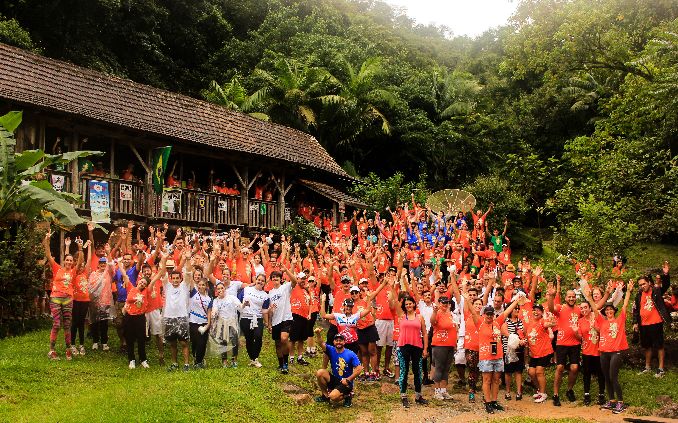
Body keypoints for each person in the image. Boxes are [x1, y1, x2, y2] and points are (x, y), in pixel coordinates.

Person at [465, 292, 521, 414]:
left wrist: (517, 301)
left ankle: (494, 401)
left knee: (496, 380)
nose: (489, 316)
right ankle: (488, 402)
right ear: (484, 314)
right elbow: (473, 312)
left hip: (498, 355)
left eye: (491, 314)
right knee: (487, 380)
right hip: (486, 356)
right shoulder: (479, 323)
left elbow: (507, 311)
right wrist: (467, 300)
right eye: (488, 314)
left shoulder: (497, 322)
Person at [120, 253, 167, 369]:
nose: (142, 284)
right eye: (141, 282)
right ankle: (131, 360)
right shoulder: (131, 287)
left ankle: (143, 359)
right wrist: (119, 263)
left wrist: (164, 258)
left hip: (140, 317)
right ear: (138, 281)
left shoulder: (146, 291)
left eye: (144, 284)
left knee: (141, 339)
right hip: (129, 317)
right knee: (130, 339)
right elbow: (124, 275)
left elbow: (159, 274)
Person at [43, 231, 82, 360]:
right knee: (56, 324)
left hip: (68, 299)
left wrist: (80, 248)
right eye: (67, 260)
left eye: (71, 261)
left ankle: (68, 348)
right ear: (64, 261)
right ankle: (52, 350)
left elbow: (80, 260)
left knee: (67, 324)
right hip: (55, 298)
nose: (69, 262)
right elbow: (48, 255)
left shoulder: (74, 271)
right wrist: (47, 240)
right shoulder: (57, 268)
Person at [597, 279, 634, 414]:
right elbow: (594, 309)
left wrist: (628, 291)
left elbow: (624, 305)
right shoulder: (601, 321)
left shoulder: (620, 320)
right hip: (604, 352)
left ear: (614, 310)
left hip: (616, 352)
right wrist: (589, 297)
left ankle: (621, 403)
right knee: (606, 377)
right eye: (606, 310)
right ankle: (612, 401)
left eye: (610, 309)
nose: (608, 311)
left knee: (613, 376)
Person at [633, 262, 671, 378]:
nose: (642, 286)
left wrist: (665, 274)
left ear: (649, 283)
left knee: (659, 346)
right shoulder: (639, 295)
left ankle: (660, 369)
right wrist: (635, 322)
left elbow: (666, 285)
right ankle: (647, 367)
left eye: (644, 284)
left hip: (656, 323)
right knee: (647, 346)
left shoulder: (656, 291)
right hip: (644, 324)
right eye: (640, 285)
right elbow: (636, 309)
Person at [548, 287, 582, 406]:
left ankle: (569, 390)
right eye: (569, 296)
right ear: (566, 298)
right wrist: (551, 296)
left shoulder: (579, 309)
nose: (571, 298)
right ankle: (556, 394)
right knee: (560, 368)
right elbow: (551, 308)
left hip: (575, 343)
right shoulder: (561, 307)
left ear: (575, 298)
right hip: (562, 343)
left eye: (573, 296)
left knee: (574, 368)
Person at [313, 328, 363, 408]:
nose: (338, 342)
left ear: (344, 342)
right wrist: (318, 333)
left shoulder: (350, 354)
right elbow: (321, 343)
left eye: (340, 340)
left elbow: (359, 368)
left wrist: (348, 379)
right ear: (334, 342)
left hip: (346, 383)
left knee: (333, 397)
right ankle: (325, 396)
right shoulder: (331, 350)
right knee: (320, 372)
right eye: (336, 340)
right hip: (335, 379)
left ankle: (348, 395)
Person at [395, 295, 429, 408]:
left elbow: (424, 333)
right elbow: (393, 301)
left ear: (414, 304)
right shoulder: (401, 316)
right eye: (406, 304)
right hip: (403, 346)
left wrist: (425, 348)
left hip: (417, 347)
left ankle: (418, 396)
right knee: (404, 371)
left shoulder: (419, 317)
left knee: (417, 372)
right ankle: (403, 396)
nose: (408, 305)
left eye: (410, 303)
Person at [524, 303, 556, 403]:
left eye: (538, 310)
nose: (536, 312)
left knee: (539, 371)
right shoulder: (529, 324)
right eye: (534, 310)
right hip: (534, 353)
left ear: (542, 313)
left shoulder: (542, 321)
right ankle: (539, 390)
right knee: (531, 372)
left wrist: (549, 319)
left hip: (545, 351)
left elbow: (550, 324)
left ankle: (543, 393)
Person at [267, 270, 296, 374]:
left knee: (284, 339)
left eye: (277, 277)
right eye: (273, 277)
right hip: (275, 320)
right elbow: (269, 311)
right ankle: (280, 364)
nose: (275, 279)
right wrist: (269, 323)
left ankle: (286, 363)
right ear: (271, 279)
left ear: (281, 279)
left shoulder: (285, 287)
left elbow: (294, 281)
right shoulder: (270, 293)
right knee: (278, 344)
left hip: (286, 318)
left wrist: (286, 270)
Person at [430, 295, 458, 400]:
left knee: (446, 368)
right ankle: (437, 391)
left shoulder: (450, 314)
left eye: (446, 303)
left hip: (450, 344)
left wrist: (454, 344)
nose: (445, 304)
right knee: (439, 367)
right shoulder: (438, 313)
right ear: (439, 303)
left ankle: (443, 390)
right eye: (443, 303)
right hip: (440, 344)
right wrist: (434, 312)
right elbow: (432, 322)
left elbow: (453, 330)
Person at [210, 282, 243, 368]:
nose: (220, 290)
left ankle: (234, 360)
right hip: (221, 323)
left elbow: (240, 306)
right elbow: (215, 310)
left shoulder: (231, 298)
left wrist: (244, 304)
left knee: (234, 341)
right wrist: (214, 313)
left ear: (225, 289)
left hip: (232, 322)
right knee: (223, 342)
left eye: (222, 288)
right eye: (218, 289)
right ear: (216, 291)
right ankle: (224, 361)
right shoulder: (216, 300)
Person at [240, 273, 270, 367]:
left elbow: (264, 310)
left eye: (262, 281)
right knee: (248, 339)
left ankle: (255, 358)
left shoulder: (265, 295)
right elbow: (238, 300)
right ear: (255, 280)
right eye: (259, 279)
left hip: (257, 318)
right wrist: (243, 303)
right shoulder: (246, 289)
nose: (260, 282)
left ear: (264, 283)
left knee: (258, 336)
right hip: (245, 317)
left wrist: (267, 320)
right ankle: (252, 359)